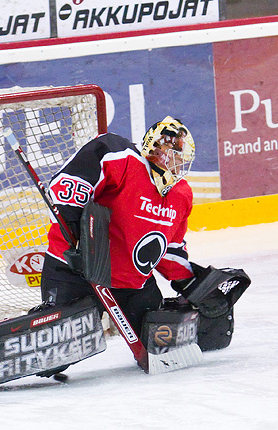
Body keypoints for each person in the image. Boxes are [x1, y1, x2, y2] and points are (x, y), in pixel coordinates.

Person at [39, 116, 197, 374]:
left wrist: (190, 283)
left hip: (133, 283)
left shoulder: (181, 194)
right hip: (75, 270)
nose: (172, 162)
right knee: (52, 361)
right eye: (167, 152)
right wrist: (74, 240)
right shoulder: (117, 155)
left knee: (166, 348)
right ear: (151, 146)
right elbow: (65, 187)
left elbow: (169, 248)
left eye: (179, 157)